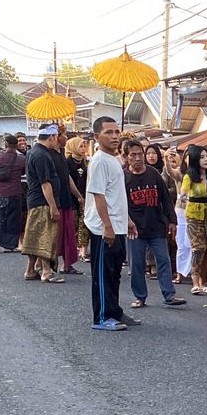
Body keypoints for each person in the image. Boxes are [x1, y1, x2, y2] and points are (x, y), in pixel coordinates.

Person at [84, 117, 136, 331]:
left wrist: (128, 220)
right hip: (103, 227)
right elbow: (99, 196)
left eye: (116, 132)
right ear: (97, 137)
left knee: (114, 272)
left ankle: (115, 311)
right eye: (109, 133)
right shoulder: (99, 161)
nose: (115, 136)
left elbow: (117, 195)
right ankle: (102, 316)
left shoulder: (113, 159)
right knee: (103, 274)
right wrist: (107, 226)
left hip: (118, 224)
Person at [123, 139, 187, 308]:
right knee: (137, 264)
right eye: (133, 155)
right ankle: (140, 296)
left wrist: (172, 220)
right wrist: (127, 222)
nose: (138, 158)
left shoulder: (153, 174)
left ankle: (169, 294)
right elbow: (119, 203)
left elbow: (165, 199)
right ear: (126, 157)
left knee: (163, 260)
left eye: (140, 154)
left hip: (157, 225)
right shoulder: (124, 177)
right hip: (135, 229)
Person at [21, 125, 63, 283]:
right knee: (45, 236)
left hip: (35, 200)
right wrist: (53, 206)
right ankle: (46, 271)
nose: (57, 140)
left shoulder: (33, 152)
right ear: (51, 137)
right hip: (43, 201)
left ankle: (30, 270)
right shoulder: (42, 155)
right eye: (56, 136)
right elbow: (45, 183)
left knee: (34, 235)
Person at [50, 126, 85, 275]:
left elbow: (67, 178)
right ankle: (49, 265)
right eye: (63, 135)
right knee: (55, 234)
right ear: (56, 137)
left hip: (66, 200)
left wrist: (78, 195)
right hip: (55, 200)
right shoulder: (49, 155)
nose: (66, 138)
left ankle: (67, 264)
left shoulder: (61, 155)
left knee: (69, 232)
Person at [180, 145, 207, 296]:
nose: (206, 159)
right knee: (197, 248)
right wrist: (182, 197)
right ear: (195, 160)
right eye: (201, 157)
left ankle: (204, 281)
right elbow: (184, 192)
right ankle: (195, 282)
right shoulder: (189, 177)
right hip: (194, 215)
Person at [0, 134, 26, 253]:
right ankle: (10, 244)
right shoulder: (21, 159)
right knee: (13, 219)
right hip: (16, 192)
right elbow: (23, 173)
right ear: (16, 145)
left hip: (1, 192)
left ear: (6, 144)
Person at [163, 148, 192, 285]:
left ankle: (196, 274)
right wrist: (166, 159)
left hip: (198, 211)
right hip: (181, 211)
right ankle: (180, 274)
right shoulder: (181, 172)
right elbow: (170, 172)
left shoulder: (204, 173)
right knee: (181, 243)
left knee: (194, 244)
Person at [66, 136, 91, 262]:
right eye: (80, 146)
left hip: (85, 196)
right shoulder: (67, 162)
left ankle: (83, 250)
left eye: (84, 146)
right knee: (73, 223)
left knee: (85, 223)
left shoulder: (86, 161)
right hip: (71, 198)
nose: (83, 148)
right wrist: (77, 196)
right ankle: (74, 248)